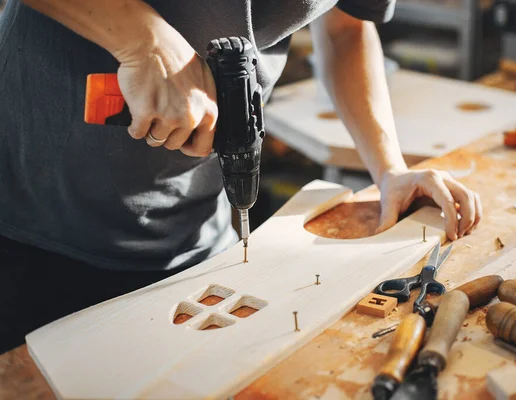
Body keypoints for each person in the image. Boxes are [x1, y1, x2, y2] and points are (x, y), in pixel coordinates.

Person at [0, 0, 482, 354]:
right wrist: (145, 40)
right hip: (30, 225)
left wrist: (389, 168)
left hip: (191, 234)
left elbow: (345, 30)